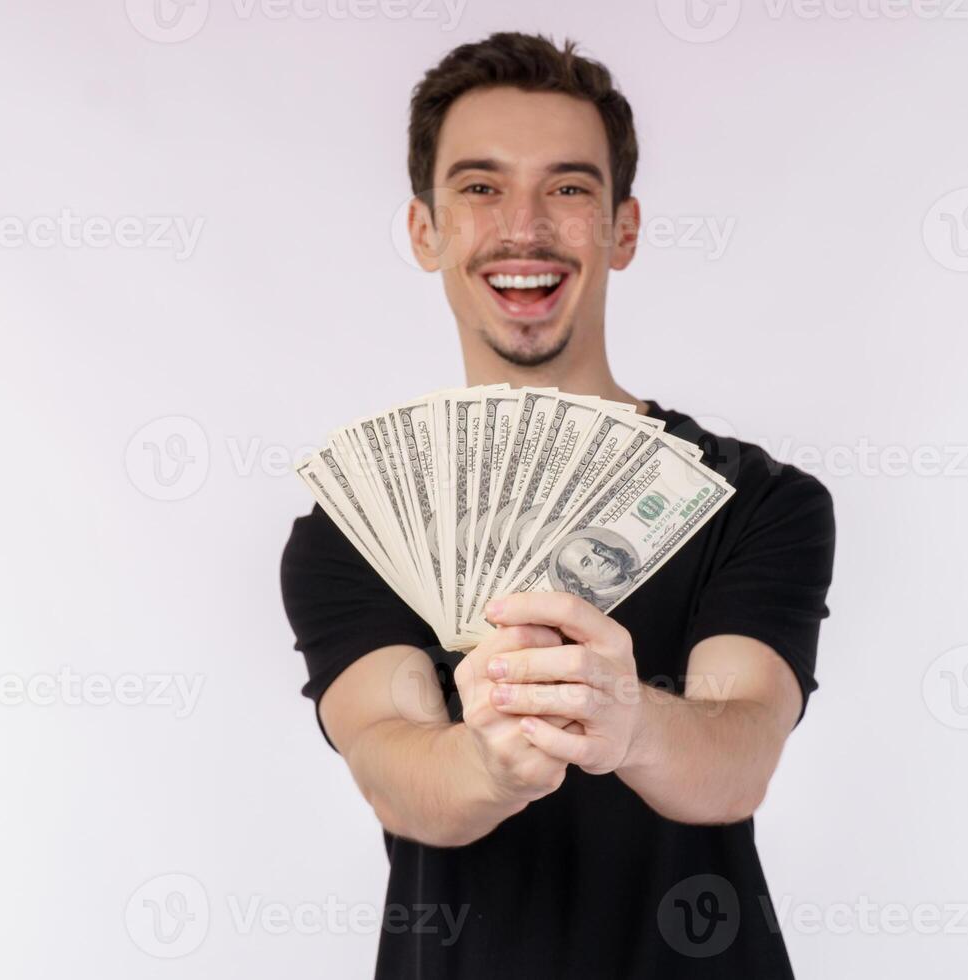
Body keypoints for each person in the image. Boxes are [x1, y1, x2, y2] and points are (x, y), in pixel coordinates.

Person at [280, 31, 836, 979]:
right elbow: (397, 774)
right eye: (481, 187)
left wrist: (634, 726)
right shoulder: (354, 531)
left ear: (623, 229)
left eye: (570, 189)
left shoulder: (757, 500)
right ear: (428, 231)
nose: (524, 228)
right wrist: (489, 767)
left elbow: (739, 759)